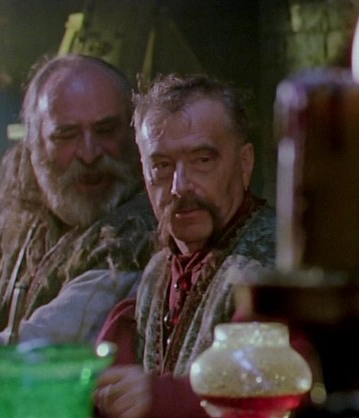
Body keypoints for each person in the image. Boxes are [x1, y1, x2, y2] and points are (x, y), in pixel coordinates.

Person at [93, 74, 275, 418]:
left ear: (244, 163)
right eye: (161, 166)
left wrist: (165, 398)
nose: (179, 186)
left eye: (202, 160)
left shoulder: (275, 269)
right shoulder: (159, 270)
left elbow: (273, 385)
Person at [0, 54, 156, 345]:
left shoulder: (138, 237)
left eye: (106, 130)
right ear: (33, 146)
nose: (89, 154)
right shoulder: (23, 229)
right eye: (67, 135)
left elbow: (40, 348)